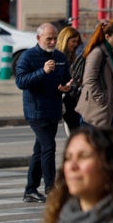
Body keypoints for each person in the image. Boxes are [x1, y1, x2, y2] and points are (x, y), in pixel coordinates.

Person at [16, 23, 71, 203]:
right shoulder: (28, 57)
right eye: (49, 38)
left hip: (53, 109)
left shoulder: (60, 57)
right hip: (35, 111)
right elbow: (21, 82)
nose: (52, 41)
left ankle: (30, 190)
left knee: (39, 150)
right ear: (38, 38)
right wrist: (43, 71)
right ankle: (50, 188)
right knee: (49, 147)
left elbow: (67, 79)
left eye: (55, 38)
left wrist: (67, 87)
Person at [76, 22, 113, 130]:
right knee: (97, 143)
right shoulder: (97, 53)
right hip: (96, 109)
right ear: (107, 37)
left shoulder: (111, 52)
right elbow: (89, 80)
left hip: (109, 107)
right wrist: (102, 99)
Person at [57, 25, 83, 133]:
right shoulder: (58, 56)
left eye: (77, 42)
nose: (75, 44)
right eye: (73, 41)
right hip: (65, 97)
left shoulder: (72, 56)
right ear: (65, 40)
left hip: (72, 96)